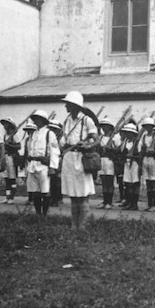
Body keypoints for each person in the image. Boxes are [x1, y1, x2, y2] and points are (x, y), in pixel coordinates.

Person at [60, 91, 98, 230]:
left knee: (82, 194)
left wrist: (87, 145)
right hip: (69, 158)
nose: (65, 106)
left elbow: (96, 139)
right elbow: (64, 140)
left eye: (67, 104)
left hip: (81, 159)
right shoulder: (67, 120)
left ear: (74, 105)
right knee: (73, 195)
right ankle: (73, 225)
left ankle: (82, 226)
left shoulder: (86, 120)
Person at [26, 110, 59, 215]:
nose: (35, 121)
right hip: (33, 165)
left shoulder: (50, 133)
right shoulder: (33, 134)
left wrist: (52, 167)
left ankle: (44, 214)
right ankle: (37, 213)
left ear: (43, 121)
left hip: (43, 165)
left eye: (38, 118)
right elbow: (30, 148)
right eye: (34, 118)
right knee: (35, 191)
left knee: (45, 191)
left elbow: (54, 151)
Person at [139, 117, 155, 212]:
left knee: (154, 182)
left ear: (152, 126)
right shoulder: (144, 137)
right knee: (148, 182)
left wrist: (154, 150)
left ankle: (154, 204)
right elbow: (141, 149)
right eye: (146, 126)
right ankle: (149, 203)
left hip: (154, 159)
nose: (147, 128)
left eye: (149, 126)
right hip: (146, 159)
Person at [96, 117, 120, 210]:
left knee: (109, 182)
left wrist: (111, 149)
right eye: (102, 126)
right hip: (102, 160)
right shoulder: (100, 137)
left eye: (105, 126)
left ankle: (109, 202)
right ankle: (104, 200)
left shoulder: (114, 138)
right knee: (104, 182)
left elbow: (119, 149)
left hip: (110, 161)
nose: (103, 128)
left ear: (110, 127)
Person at [0, 117, 21, 205]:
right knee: (6, 179)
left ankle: (12, 197)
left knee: (12, 179)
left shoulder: (15, 135)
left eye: (7, 123)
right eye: (4, 124)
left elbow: (19, 146)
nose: (5, 126)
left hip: (12, 158)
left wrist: (9, 145)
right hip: (5, 158)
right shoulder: (5, 136)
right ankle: (7, 197)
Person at [120, 123, 141, 210]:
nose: (127, 134)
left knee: (135, 184)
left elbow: (140, 155)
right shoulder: (125, 141)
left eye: (129, 132)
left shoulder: (137, 142)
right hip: (127, 163)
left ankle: (134, 204)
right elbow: (121, 152)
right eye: (126, 132)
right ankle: (129, 202)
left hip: (135, 164)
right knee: (128, 184)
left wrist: (132, 156)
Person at [48, 119, 64, 207]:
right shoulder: (48, 137)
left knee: (56, 180)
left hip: (58, 160)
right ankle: (51, 197)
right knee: (51, 180)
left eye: (54, 129)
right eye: (51, 128)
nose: (52, 130)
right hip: (49, 160)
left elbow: (62, 149)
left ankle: (56, 199)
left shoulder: (61, 139)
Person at [21, 122, 37, 206]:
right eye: (27, 130)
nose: (29, 132)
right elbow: (25, 151)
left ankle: (35, 199)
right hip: (28, 162)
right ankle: (30, 198)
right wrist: (23, 162)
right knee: (29, 181)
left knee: (35, 181)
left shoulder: (37, 139)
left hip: (36, 161)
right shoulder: (27, 140)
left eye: (31, 130)